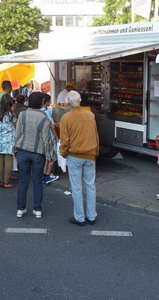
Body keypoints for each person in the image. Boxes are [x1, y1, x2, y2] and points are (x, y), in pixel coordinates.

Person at [60, 90, 99, 226]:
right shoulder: (90, 115)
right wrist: (95, 152)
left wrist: (63, 153)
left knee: (76, 187)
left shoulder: (66, 118)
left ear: (67, 103)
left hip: (75, 155)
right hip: (90, 154)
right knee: (90, 185)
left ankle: (80, 217)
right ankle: (91, 216)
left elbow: (65, 141)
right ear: (80, 101)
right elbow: (95, 135)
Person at [15, 92, 55, 219]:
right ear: (41, 102)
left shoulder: (22, 115)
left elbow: (17, 134)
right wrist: (50, 155)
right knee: (37, 181)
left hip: (23, 150)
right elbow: (46, 139)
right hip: (38, 153)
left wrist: (14, 148)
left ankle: (20, 209)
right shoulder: (44, 118)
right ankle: (37, 209)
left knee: (23, 181)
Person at [0, 94, 17, 188]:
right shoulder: (11, 114)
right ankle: (6, 181)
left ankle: (1, 180)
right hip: (9, 139)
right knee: (8, 160)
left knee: (0, 160)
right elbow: (15, 125)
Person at [41, 93, 59, 184]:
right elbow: (51, 126)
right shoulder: (46, 112)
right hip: (50, 137)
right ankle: (47, 176)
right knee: (51, 158)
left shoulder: (39, 111)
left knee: (46, 158)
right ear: (46, 102)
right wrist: (56, 137)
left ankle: (44, 175)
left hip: (43, 137)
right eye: (49, 101)